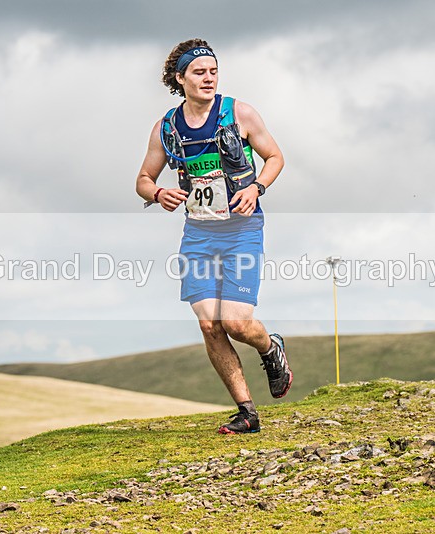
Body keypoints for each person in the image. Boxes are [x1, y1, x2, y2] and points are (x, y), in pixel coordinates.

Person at [136, 39, 292, 434]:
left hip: (242, 230)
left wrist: (256, 187)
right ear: (180, 79)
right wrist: (157, 193)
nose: (208, 78)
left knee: (237, 323)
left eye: (213, 71)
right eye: (199, 72)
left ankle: (270, 348)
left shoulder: (239, 113)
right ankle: (246, 412)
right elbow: (143, 179)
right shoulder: (166, 128)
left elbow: (275, 157)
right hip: (199, 235)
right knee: (209, 325)